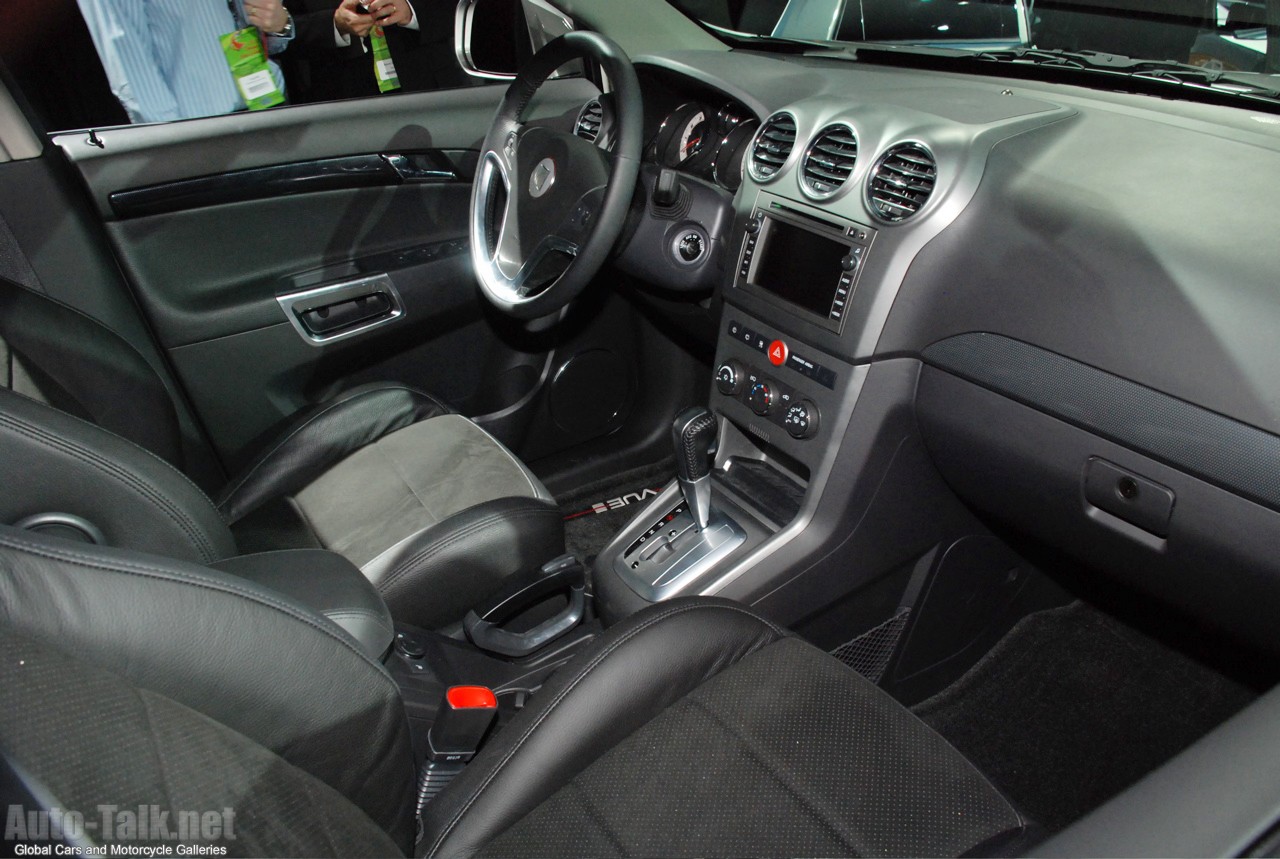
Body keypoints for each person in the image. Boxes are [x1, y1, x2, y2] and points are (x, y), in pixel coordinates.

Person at [75, 0, 296, 124]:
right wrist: (177, 144)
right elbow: (130, 66)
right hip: (204, 134)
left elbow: (259, 29)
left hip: (271, 105)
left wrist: (279, 25)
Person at [283, 0, 464, 103]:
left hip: (433, 90)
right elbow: (279, 32)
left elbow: (469, 6)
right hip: (341, 103)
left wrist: (411, 10)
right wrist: (335, 25)